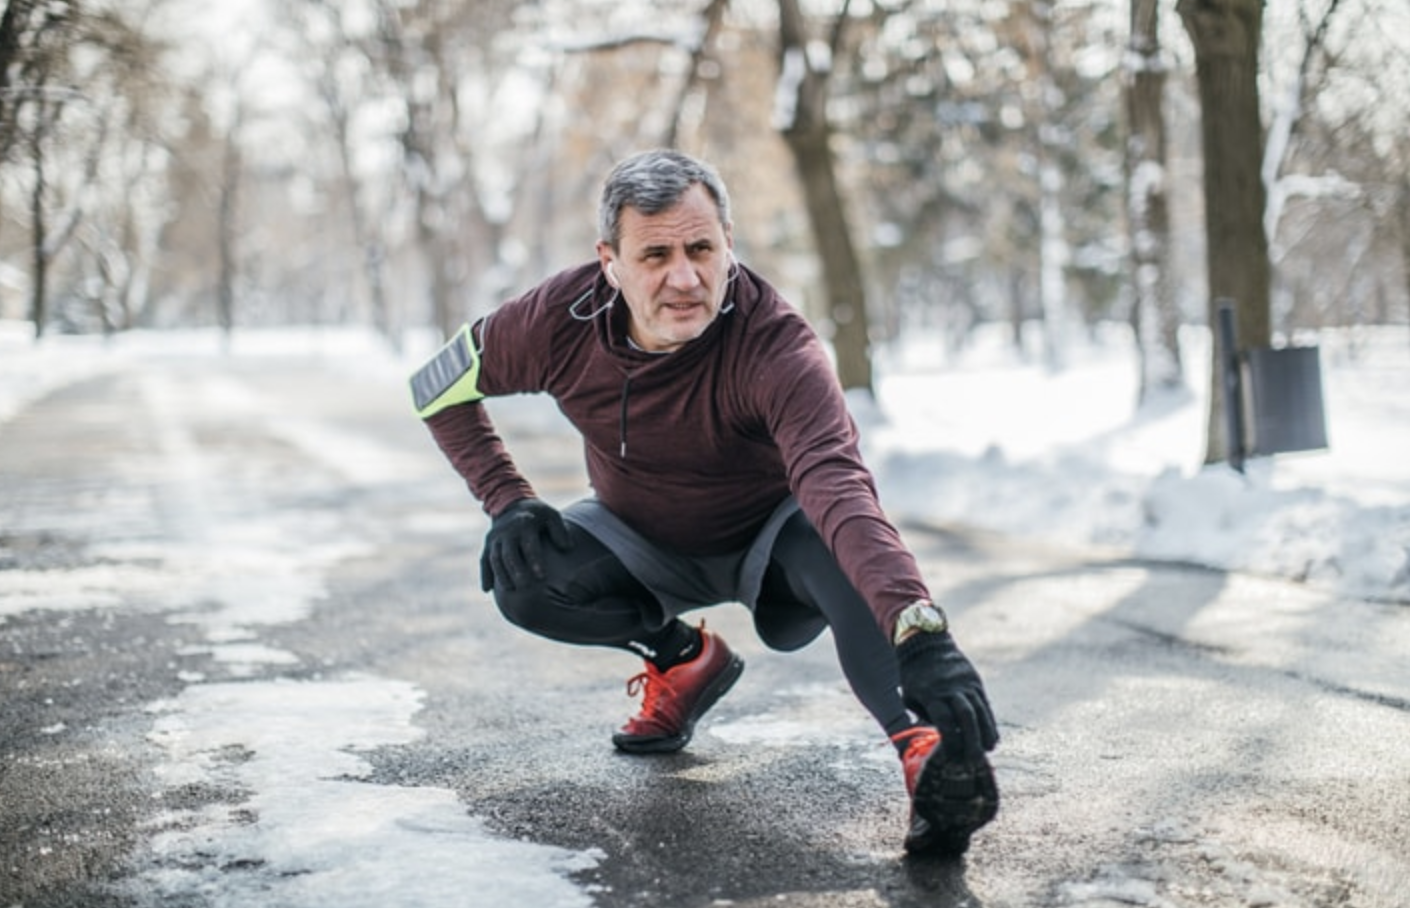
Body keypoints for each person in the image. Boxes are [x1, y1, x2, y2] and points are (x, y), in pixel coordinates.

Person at [410, 149, 1000, 856]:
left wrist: (921, 629)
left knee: (835, 543)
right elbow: (434, 387)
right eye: (654, 255)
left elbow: (840, 489)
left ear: (729, 245)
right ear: (610, 261)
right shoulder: (555, 322)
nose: (684, 277)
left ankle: (925, 751)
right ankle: (682, 659)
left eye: (701, 248)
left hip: (776, 544)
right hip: (638, 534)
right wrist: (506, 499)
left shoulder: (777, 346)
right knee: (524, 578)